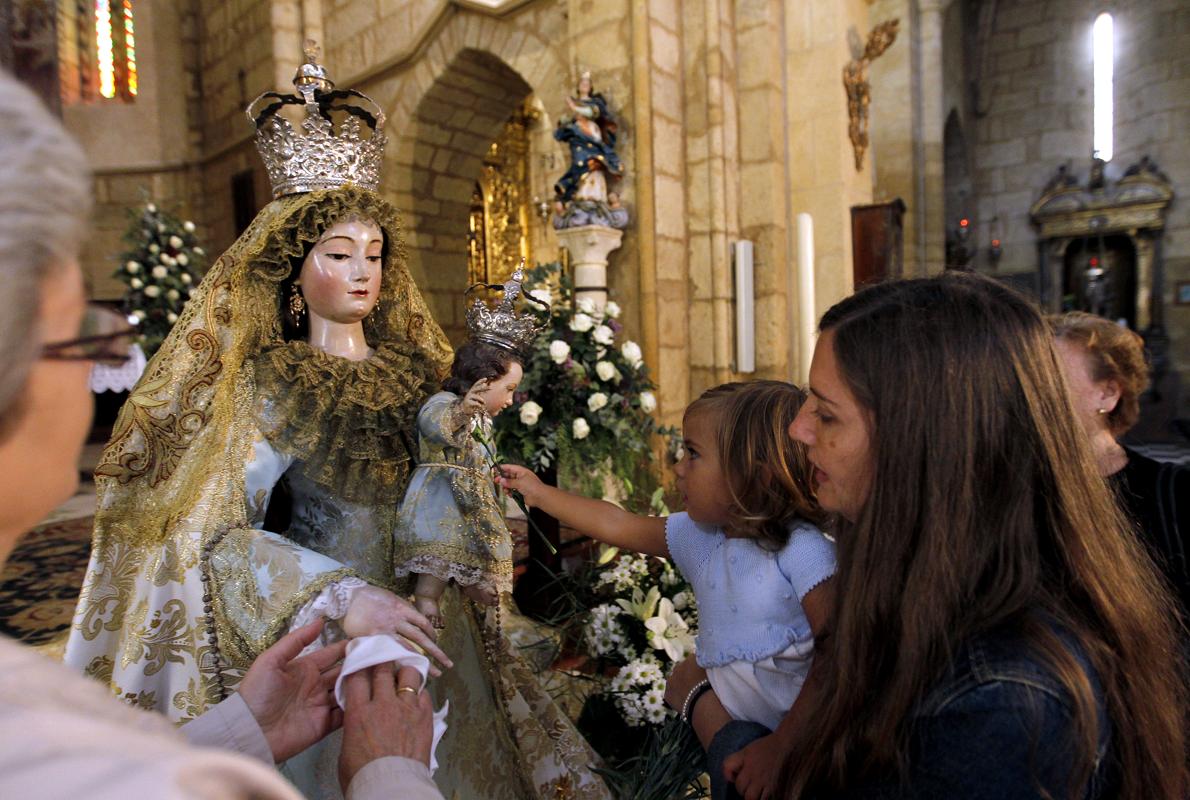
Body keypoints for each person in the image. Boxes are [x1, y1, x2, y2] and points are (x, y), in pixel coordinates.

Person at [0, 68, 442, 799]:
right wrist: (333, 596)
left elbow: (446, 482)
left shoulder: (414, 369)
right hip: (326, 638)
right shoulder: (271, 383)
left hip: (421, 616)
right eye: (82, 338)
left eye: (374, 253)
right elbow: (212, 533)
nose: (362, 271)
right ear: (292, 271)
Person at [680, 272, 1185, 799]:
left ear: (917, 445)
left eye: (826, 413)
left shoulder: (1003, 699)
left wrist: (708, 712)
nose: (798, 429)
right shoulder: (929, 586)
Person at [499, 380, 836, 800]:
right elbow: (619, 524)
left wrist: (783, 745)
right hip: (733, 741)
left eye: (693, 453)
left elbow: (837, 651)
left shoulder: (801, 549)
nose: (678, 466)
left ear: (753, 471)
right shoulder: (702, 537)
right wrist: (539, 493)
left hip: (805, 746)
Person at [394, 271, 613, 800]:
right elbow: (434, 428)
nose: (511, 400)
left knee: (477, 568)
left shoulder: (484, 422)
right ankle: (426, 604)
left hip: (470, 503)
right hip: (440, 505)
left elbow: (479, 454)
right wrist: (463, 410)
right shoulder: (448, 406)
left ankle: (481, 600)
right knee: (437, 562)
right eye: (508, 389)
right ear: (480, 382)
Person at [1051, 311, 1189, 617]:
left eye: (1054, 379)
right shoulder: (1015, 490)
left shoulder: (1171, 493)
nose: (1039, 394)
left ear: (1109, 393)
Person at [553, 71, 623, 204]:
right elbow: (566, 120)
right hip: (577, 137)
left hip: (591, 133)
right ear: (578, 87)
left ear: (591, 88)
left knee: (595, 163)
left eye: (587, 83)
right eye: (582, 83)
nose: (584, 85)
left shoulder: (594, 102)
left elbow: (592, 113)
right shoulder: (574, 102)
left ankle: (595, 196)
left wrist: (574, 107)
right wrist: (565, 120)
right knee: (579, 162)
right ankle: (580, 194)